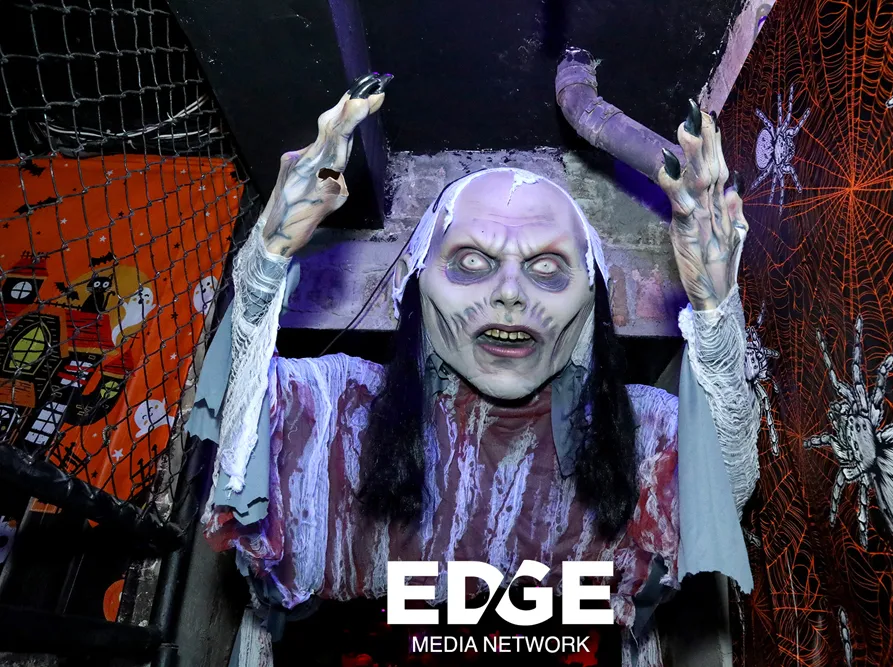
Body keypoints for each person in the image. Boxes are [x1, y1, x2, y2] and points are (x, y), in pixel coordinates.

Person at [189, 73, 760, 667]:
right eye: (470, 261)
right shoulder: (342, 409)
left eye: (546, 268)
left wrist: (714, 308)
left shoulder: (639, 430)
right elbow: (237, 440)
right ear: (416, 288)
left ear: (591, 306)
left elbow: (725, 490)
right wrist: (268, 255)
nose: (509, 291)